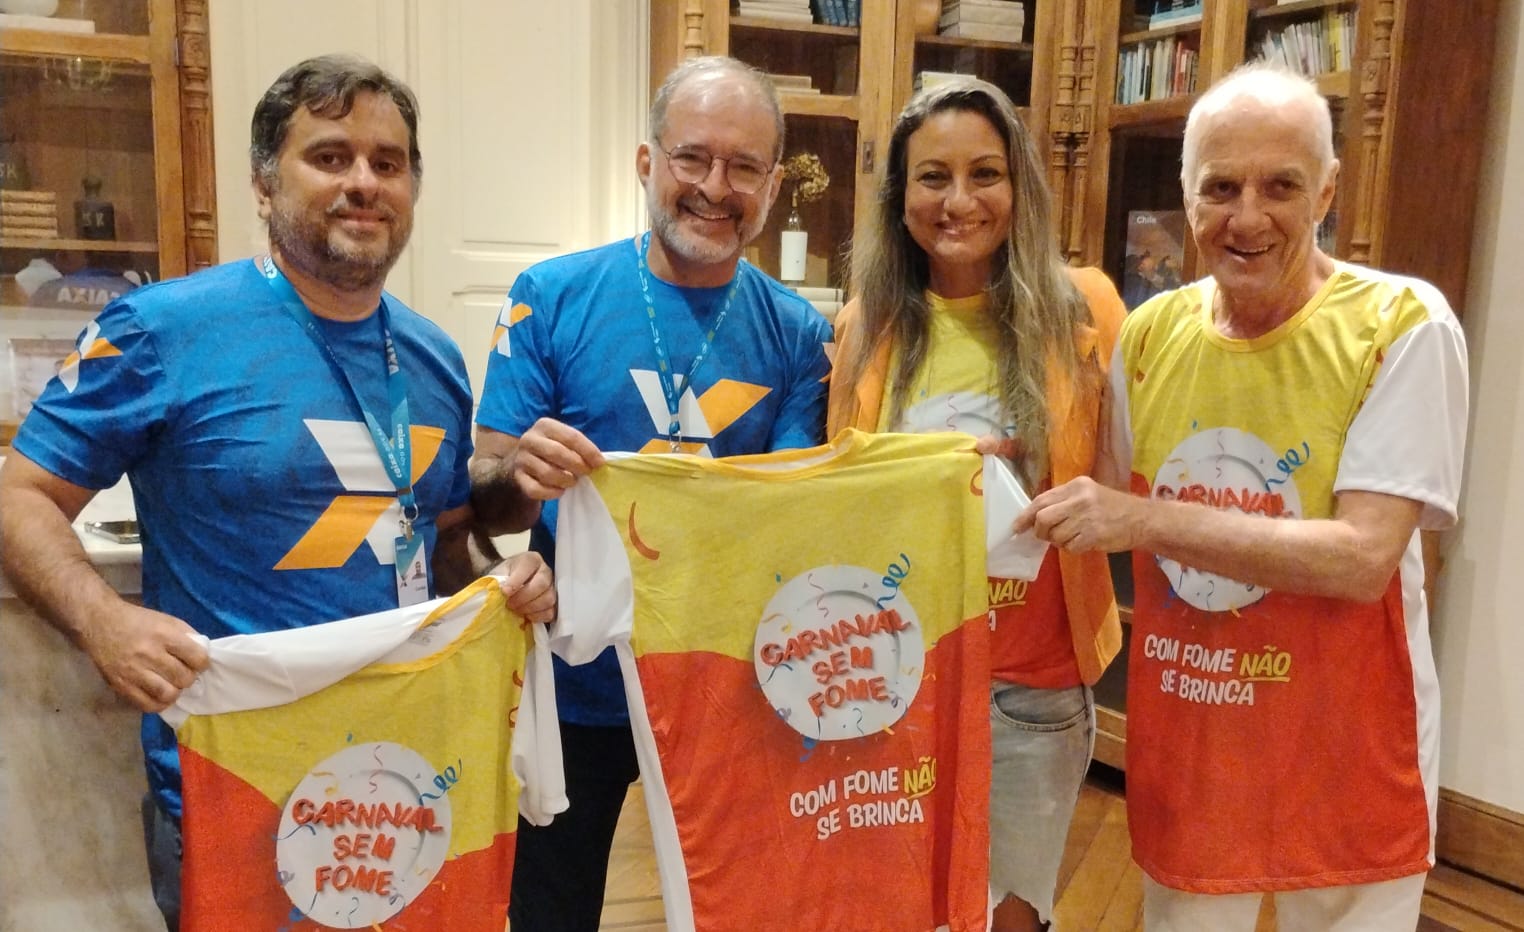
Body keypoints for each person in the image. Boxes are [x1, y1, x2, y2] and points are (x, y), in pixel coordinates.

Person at [0, 54, 555, 931]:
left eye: (388, 162)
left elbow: (445, 543)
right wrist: (103, 621)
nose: (363, 182)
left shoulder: (434, 357)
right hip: (236, 783)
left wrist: (501, 587)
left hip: (410, 774)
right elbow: (21, 497)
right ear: (263, 184)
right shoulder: (158, 329)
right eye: (330, 157)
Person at [1017, 62, 1468, 931]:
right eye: (1221, 187)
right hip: (1196, 748)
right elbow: (1102, 500)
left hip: (1345, 754)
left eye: (1281, 187)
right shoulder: (1151, 332)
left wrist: (1142, 518)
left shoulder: (1404, 325)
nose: (1248, 217)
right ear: (1186, 197)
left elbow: (1362, 558)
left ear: (1328, 190)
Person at [470, 55, 833, 931]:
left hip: (731, 686)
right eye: (691, 157)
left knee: (738, 912)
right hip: (574, 677)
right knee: (550, 913)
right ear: (647, 163)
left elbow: (785, 515)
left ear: (773, 185)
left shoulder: (800, 333)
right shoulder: (549, 297)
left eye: (744, 166)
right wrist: (519, 479)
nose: (715, 187)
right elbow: (481, 500)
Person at [828, 77, 1124, 932]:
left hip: (1033, 684)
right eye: (933, 177)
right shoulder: (864, 325)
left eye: (984, 174)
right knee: (895, 910)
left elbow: (1123, 478)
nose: (959, 201)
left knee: (1010, 918)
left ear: (1018, 185)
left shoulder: (1088, 307)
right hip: (898, 674)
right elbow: (840, 500)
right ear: (900, 195)